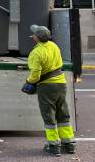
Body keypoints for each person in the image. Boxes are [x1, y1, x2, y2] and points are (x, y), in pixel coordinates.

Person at [25, 24, 76, 157]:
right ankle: (69, 144)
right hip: (61, 83)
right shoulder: (54, 46)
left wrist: (29, 82)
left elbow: (35, 74)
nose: (33, 35)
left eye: (34, 34)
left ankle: (53, 146)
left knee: (49, 115)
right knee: (62, 113)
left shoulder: (36, 52)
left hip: (47, 86)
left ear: (36, 37)